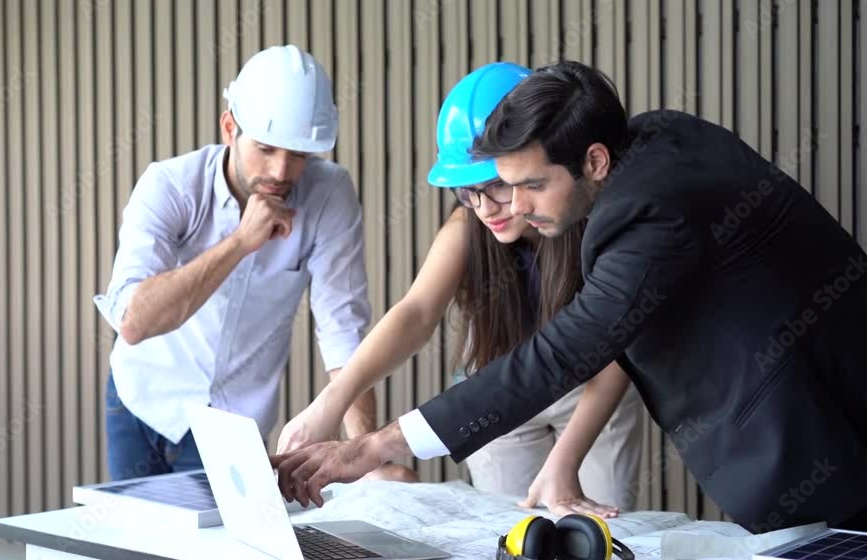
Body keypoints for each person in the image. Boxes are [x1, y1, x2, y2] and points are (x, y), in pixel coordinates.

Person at [271, 59, 867, 533]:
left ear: (595, 160)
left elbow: (564, 353)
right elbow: (419, 312)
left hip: (822, 433)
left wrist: (375, 445)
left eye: (530, 185)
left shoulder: (645, 216)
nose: (512, 207)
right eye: (501, 187)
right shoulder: (654, 139)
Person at [275, 63, 642, 516]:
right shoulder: (467, 225)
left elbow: (614, 352)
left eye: (497, 185)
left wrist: (563, 464)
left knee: (595, 527)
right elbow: (415, 314)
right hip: (501, 393)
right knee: (508, 527)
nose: (485, 208)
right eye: (468, 192)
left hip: (592, 391)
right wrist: (329, 404)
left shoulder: (598, 225)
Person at [94, 45, 415, 483]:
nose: (282, 171)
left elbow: (343, 330)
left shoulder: (329, 196)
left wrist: (364, 458)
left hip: (233, 423)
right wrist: (241, 243)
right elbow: (134, 322)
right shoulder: (170, 186)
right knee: (135, 529)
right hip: (141, 401)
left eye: (299, 154)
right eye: (265, 148)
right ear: (230, 128)